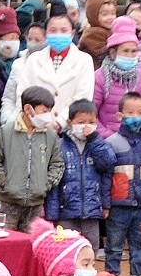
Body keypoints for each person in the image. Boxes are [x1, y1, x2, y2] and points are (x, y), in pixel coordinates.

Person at [0, 84, 64, 231]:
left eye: (49, 111)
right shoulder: (6, 131)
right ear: (28, 109)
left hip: (36, 204)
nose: (47, 115)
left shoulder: (50, 135)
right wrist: (4, 180)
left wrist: (45, 184)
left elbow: (57, 163)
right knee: (5, 242)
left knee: (31, 245)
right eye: (44, 111)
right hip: (8, 202)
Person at [2, 9, 95, 126]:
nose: (58, 34)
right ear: (46, 34)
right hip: (35, 127)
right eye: (53, 30)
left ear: (72, 34)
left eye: (64, 30)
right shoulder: (34, 59)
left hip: (69, 129)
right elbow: (23, 93)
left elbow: (82, 97)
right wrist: (35, 120)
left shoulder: (84, 60)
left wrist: (59, 123)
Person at [45, 98, 114, 249]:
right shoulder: (60, 146)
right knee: (66, 249)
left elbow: (108, 163)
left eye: (91, 122)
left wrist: (94, 140)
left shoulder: (99, 144)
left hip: (92, 210)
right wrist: (51, 213)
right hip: (66, 212)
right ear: (70, 122)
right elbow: (54, 181)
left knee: (90, 248)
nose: (86, 126)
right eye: (81, 122)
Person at [102, 91, 141, 276]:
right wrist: (106, 204)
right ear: (120, 115)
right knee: (114, 245)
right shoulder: (112, 143)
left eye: (140, 113)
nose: (136, 117)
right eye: (130, 113)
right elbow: (106, 176)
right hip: (118, 206)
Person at [93, 15, 141, 132]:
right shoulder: (100, 77)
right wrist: (109, 138)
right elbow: (92, 114)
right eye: (125, 51)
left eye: (134, 51)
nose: (130, 56)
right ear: (113, 53)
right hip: (108, 142)